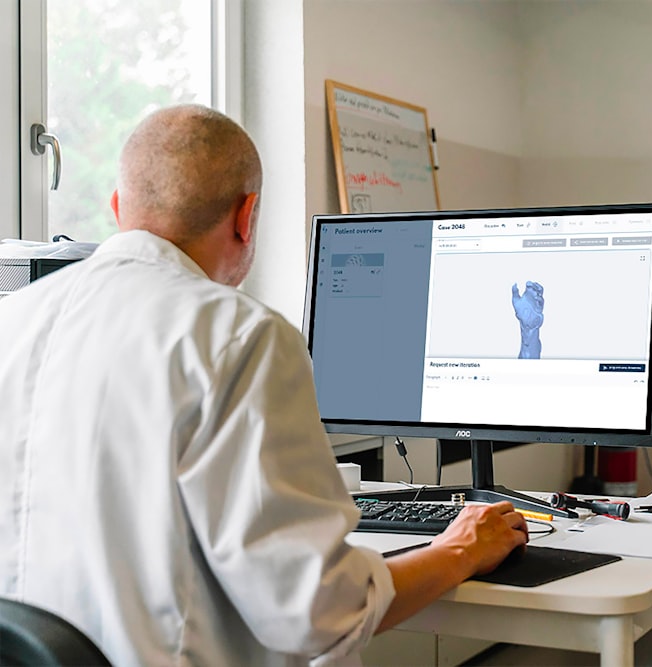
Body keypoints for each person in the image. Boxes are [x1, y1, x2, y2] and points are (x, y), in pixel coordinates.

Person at [0, 104, 528, 666]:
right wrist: (458, 550)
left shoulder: (14, 318)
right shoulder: (239, 335)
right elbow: (317, 613)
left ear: (117, 209)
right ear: (246, 216)